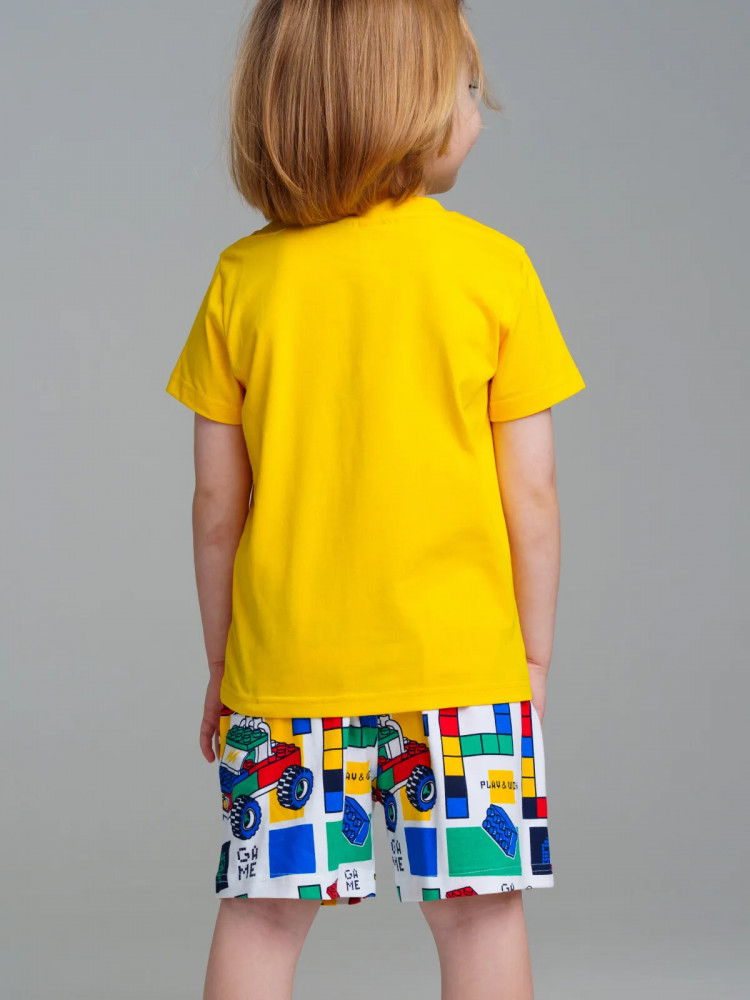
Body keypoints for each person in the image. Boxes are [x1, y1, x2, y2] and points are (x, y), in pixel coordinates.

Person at [165, 2, 586, 998]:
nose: (481, 108)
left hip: (289, 672)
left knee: (264, 916)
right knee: (480, 915)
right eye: (467, 85)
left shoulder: (244, 280)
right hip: (463, 671)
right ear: (410, 105)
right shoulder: (494, 271)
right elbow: (531, 494)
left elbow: (217, 505)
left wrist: (225, 663)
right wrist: (529, 656)